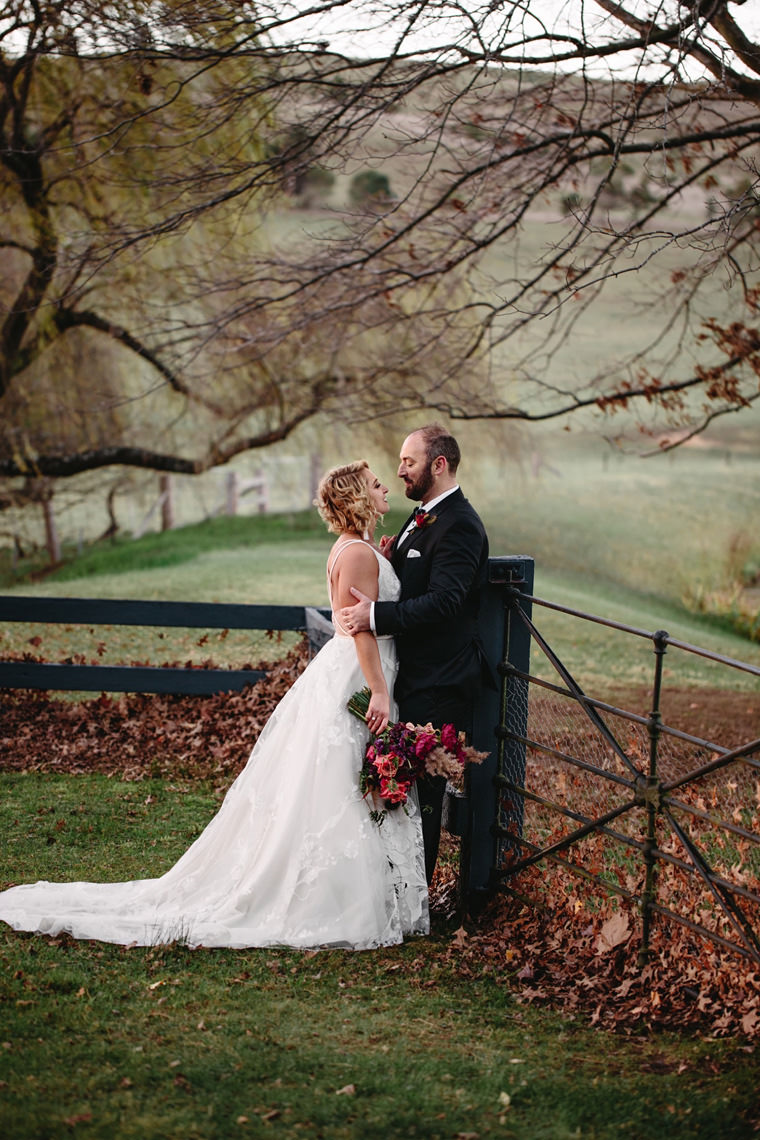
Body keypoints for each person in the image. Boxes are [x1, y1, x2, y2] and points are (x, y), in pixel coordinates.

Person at [0, 462, 429, 950]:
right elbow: (361, 629)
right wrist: (377, 689)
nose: (384, 488)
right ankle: (334, 899)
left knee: (345, 779)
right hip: (357, 671)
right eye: (375, 484)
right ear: (357, 498)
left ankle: (359, 891)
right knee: (343, 781)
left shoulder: (360, 549)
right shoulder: (356, 554)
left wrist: (383, 553)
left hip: (352, 666)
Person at [338, 424, 491, 884]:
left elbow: (447, 601)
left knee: (421, 791)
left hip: (440, 680)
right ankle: (393, 891)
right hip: (411, 675)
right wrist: (391, 561)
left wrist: (376, 615)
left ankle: (413, 897)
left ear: (438, 465)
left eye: (409, 462)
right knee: (397, 786)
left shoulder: (461, 524)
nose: (399, 470)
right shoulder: (422, 515)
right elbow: (417, 576)